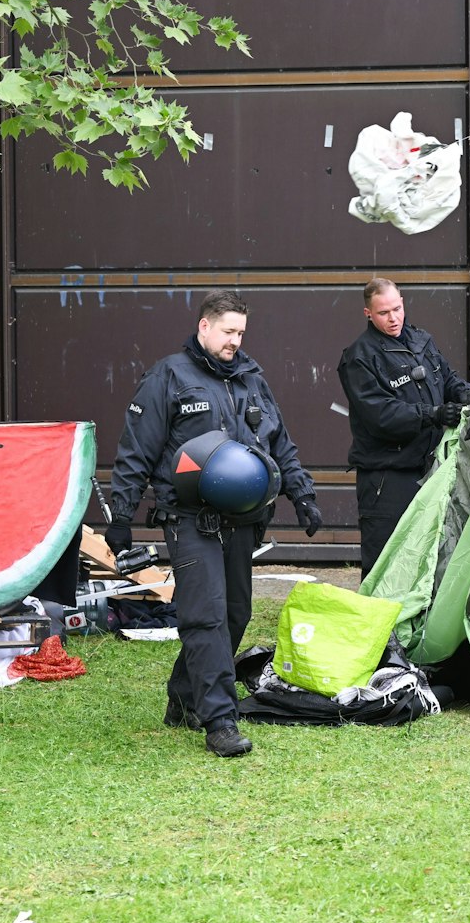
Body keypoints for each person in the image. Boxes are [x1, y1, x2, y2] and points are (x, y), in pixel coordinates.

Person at [105, 289, 321, 758]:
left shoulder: (250, 378)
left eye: (240, 333)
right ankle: (219, 721)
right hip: (189, 518)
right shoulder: (169, 376)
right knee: (205, 615)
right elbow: (136, 449)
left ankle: (184, 698)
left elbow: (278, 442)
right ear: (204, 327)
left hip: (243, 520)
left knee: (235, 614)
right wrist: (120, 518)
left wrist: (301, 493)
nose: (234, 342)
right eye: (227, 332)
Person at [338, 277, 470, 576]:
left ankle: (422, 623)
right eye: (383, 313)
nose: (394, 319)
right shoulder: (359, 357)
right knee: (387, 563)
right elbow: (380, 415)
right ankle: (381, 623)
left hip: (431, 470)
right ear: (368, 314)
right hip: (388, 477)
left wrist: (462, 390)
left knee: (433, 556)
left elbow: (446, 377)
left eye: (397, 309)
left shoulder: (421, 340)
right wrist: (433, 414)